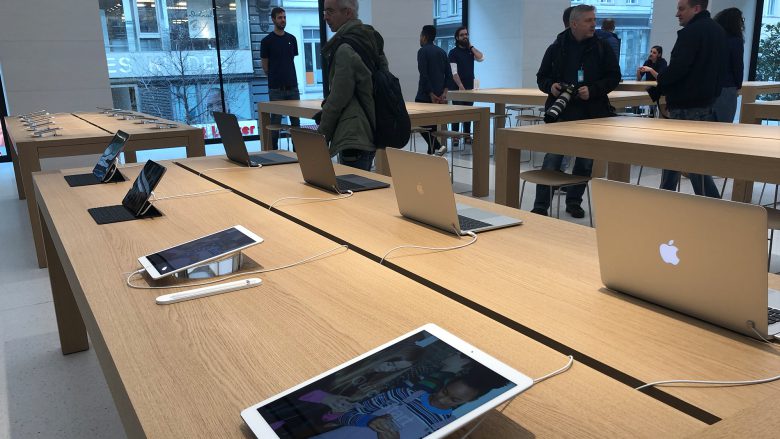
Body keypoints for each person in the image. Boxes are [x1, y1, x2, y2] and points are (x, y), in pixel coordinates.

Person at [532, 4, 621, 218]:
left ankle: (574, 201)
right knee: (552, 159)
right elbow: (542, 77)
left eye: (594, 19)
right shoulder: (556, 47)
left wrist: (592, 90)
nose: (594, 24)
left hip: (591, 114)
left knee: (584, 162)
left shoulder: (602, 47)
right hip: (561, 113)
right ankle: (541, 205)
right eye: (589, 20)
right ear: (574, 23)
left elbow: (613, 77)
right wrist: (551, 86)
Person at [313, 364, 509, 439]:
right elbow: (341, 417)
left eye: (453, 400)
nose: (441, 398)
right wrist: (368, 421)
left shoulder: (445, 426)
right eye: (444, 391)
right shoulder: (402, 394)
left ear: (470, 401)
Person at [654, 0, 727, 198]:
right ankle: (665, 196)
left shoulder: (691, 33)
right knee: (684, 158)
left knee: (688, 160)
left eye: (681, 9)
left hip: (686, 104)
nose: (677, 14)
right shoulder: (718, 31)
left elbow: (679, 67)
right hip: (706, 103)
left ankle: (713, 204)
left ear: (696, 8)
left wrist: (661, 80)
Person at [318, 0, 387, 171]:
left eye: (330, 11)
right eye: (325, 11)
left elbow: (337, 99)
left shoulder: (344, 49)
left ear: (348, 13)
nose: (325, 16)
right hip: (371, 129)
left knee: (353, 192)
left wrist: (321, 137)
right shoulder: (370, 39)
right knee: (362, 191)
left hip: (353, 134)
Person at [260, 7, 301, 150]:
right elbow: (265, 66)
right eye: (280, 17)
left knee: (296, 122)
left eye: (284, 17)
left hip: (293, 88)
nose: (283, 20)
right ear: (273, 19)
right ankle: (274, 151)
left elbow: (290, 60)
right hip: (276, 89)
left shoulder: (291, 39)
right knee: (275, 122)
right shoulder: (267, 41)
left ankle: (299, 152)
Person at [415, 25, 452, 155]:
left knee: (419, 124)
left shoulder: (422, 51)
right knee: (432, 126)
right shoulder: (442, 52)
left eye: (420, 36)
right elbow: (449, 74)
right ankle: (431, 151)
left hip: (425, 95)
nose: (420, 39)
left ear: (424, 37)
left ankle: (436, 146)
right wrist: (443, 93)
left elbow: (423, 74)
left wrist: (430, 93)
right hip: (439, 96)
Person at [448, 26, 484, 147]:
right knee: (457, 112)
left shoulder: (470, 51)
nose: (465, 37)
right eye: (462, 35)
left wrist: (471, 47)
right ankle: (455, 137)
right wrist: (461, 86)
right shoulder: (453, 52)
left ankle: (467, 136)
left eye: (466, 34)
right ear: (457, 38)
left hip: (470, 87)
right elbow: (454, 72)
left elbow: (481, 57)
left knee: (468, 112)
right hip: (458, 87)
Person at [712, 7, 745, 123]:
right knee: (724, 125)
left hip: (708, 87)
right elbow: (738, 66)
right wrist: (738, 85)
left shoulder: (713, 38)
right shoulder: (736, 41)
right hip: (727, 87)